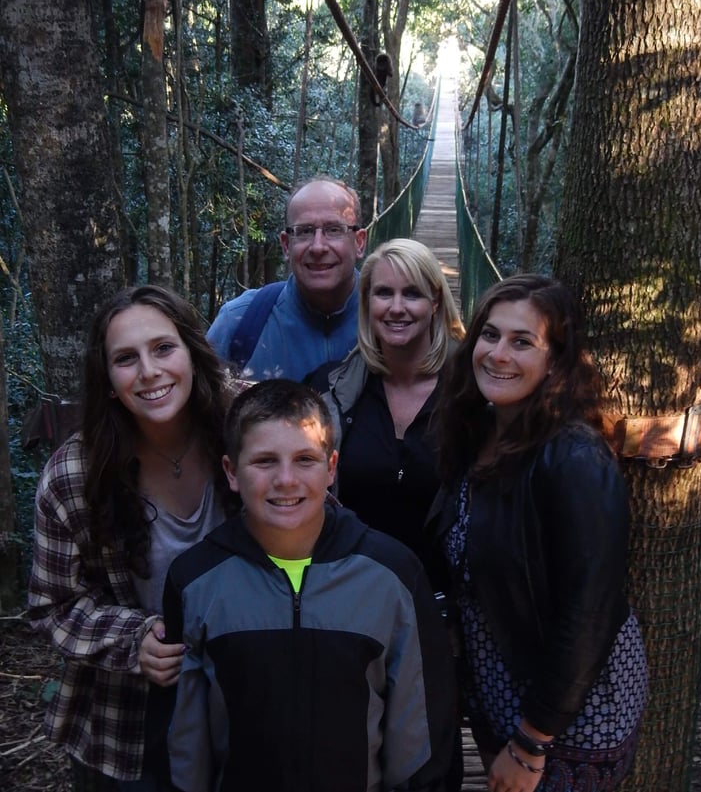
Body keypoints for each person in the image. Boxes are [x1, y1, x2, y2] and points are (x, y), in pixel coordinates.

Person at [162, 379, 457, 792]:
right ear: (231, 471)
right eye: (264, 461)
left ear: (332, 467)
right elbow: (184, 738)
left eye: (305, 459)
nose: (286, 480)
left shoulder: (391, 575)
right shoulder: (195, 581)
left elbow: (421, 732)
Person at [431, 274, 648, 792]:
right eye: (490, 335)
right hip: (501, 684)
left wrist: (532, 743)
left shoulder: (573, 456)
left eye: (522, 342)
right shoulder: (479, 431)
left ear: (556, 362)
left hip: (571, 713)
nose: (498, 353)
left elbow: (588, 612)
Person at [27, 285, 234, 791]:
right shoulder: (75, 474)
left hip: (247, 692)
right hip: (130, 720)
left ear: (191, 351)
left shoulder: (249, 427)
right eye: (126, 359)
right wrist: (133, 639)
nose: (149, 371)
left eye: (163, 348)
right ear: (108, 380)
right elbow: (51, 606)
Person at [308, 238, 465, 593]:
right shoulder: (329, 389)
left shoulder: (472, 391)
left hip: (446, 610)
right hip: (350, 600)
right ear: (367, 302)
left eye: (412, 294)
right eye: (383, 293)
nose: (396, 308)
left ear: (435, 301)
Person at [207, 175, 367, 381]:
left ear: (359, 242)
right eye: (304, 231)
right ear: (286, 245)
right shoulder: (239, 321)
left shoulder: (392, 319)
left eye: (334, 230)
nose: (318, 247)